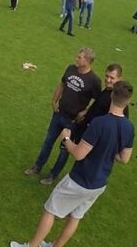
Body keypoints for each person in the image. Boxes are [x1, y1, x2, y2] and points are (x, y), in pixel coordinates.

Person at [10, 81, 134, 247]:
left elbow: (78, 154)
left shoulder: (100, 123)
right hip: (99, 185)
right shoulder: (129, 127)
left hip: (81, 179)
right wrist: (107, 149)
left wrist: (66, 138)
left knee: (50, 209)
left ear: (112, 97)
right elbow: (124, 158)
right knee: (75, 216)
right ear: (128, 101)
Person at [25, 47, 100, 180]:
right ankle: (37, 166)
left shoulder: (94, 80)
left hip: (72, 120)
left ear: (87, 61)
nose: (76, 59)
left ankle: (53, 175)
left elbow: (97, 101)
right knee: (48, 141)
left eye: (79, 57)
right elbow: (62, 84)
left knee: (64, 149)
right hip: (59, 113)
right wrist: (54, 101)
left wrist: (84, 112)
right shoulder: (71, 69)